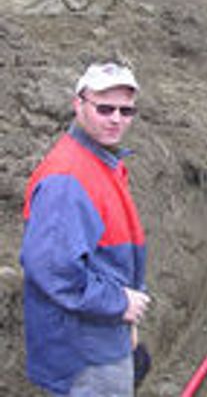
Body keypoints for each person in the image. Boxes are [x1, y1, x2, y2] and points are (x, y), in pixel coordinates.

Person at [20, 61, 150, 396]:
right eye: (104, 108)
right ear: (79, 104)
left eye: (126, 110)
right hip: (83, 352)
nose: (116, 119)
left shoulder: (102, 163)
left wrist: (126, 322)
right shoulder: (67, 180)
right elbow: (51, 269)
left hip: (104, 333)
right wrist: (118, 304)